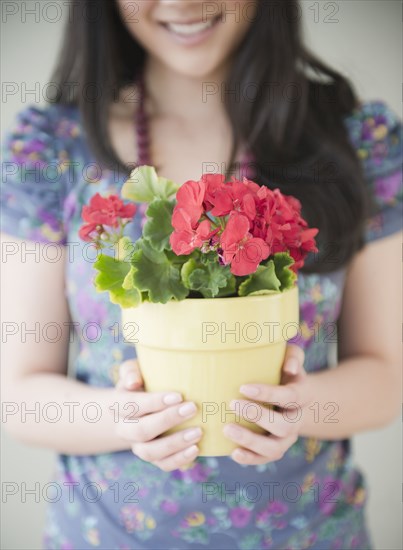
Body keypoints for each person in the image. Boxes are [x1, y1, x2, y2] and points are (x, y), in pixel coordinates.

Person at [1, 1, 401, 549]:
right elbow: (18, 396)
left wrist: (298, 407)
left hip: (310, 533)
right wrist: (127, 420)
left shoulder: (353, 137)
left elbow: (384, 379)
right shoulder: (52, 146)